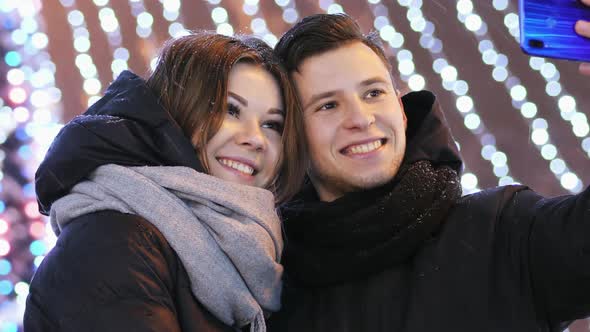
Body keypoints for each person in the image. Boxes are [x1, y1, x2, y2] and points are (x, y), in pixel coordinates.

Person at [267, 13, 590, 332]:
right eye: (328, 105)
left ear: (402, 111)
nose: (361, 119)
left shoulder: (503, 230)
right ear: (293, 136)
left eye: (373, 93)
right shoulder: (268, 295)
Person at [24, 32, 305, 332]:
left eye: (272, 124)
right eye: (230, 110)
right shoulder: (117, 241)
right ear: (179, 110)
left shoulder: (258, 253)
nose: (255, 138)